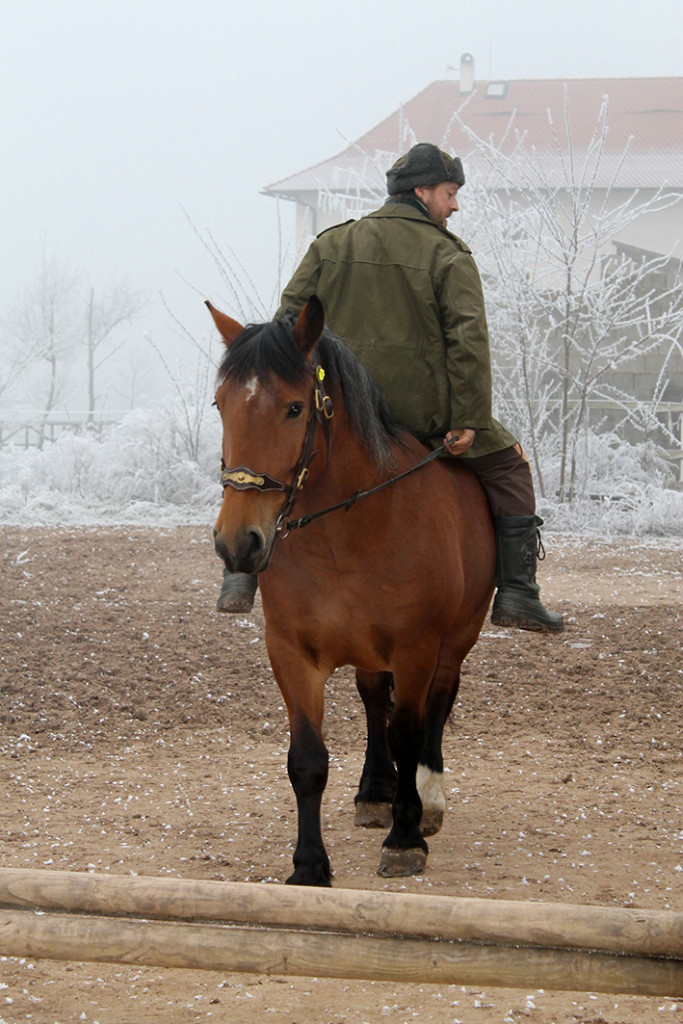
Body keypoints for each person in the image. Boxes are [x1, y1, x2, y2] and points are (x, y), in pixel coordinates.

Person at [217, 142, 563, 633]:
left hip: (339, 413)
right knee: (511, 467)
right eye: (450, 193)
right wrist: (467, 418)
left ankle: (239, 576)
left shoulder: (330, 244)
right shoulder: (449, 256)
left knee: (269, 463)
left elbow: (284, 333)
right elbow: (468, 339)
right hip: (422, 415)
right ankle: (518, 592)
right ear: (421, 192)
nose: (455, 205)